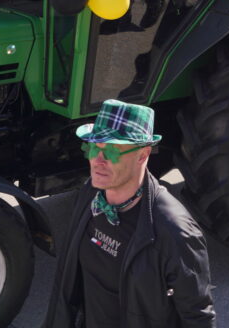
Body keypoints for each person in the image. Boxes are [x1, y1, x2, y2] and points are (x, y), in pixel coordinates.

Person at [45, 99, 216, 327]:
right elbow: (67, 282)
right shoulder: (90, 194)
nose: (98, 160)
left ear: (143, 155)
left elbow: (198, 316)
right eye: (94, 147)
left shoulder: (175, 230)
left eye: (112, 151)